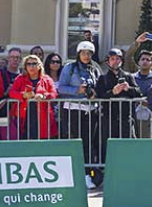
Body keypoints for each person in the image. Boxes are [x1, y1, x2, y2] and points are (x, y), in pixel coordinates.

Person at [58, 41, 102, 189]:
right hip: (72, 110)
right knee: (74, 143)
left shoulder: (95, 69)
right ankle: (72, 175)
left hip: (89, 111)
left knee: (88, 144)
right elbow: (61, 88)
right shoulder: (69, 68)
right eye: (83, 52)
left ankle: (87, 175)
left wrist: (95, 94)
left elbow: (99, 87)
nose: (86, 55)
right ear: (78, 54)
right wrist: (77, 91)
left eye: (89, 53)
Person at [96, 48, 142, 160]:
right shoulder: (103, 78)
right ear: (108, 61)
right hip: (109, 118)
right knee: (107, 147)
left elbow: (139, 93)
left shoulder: (128, 76)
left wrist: (128, 89)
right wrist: (112, 92)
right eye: (112, 59)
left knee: (127, 145)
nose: (115, 61)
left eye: (117, 59)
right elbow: (99, 95)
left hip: (126, 117)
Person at [8, 55, 58, 139]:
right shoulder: (20, 78)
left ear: (39, 66)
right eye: (29, 64)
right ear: (25, 66)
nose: (31, 66)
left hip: (43, 117)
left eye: (34, 63)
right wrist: (23, 95)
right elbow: (12, 92)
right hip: (24, 116)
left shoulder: (47, 79)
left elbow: (54, 93)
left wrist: (43, 96)